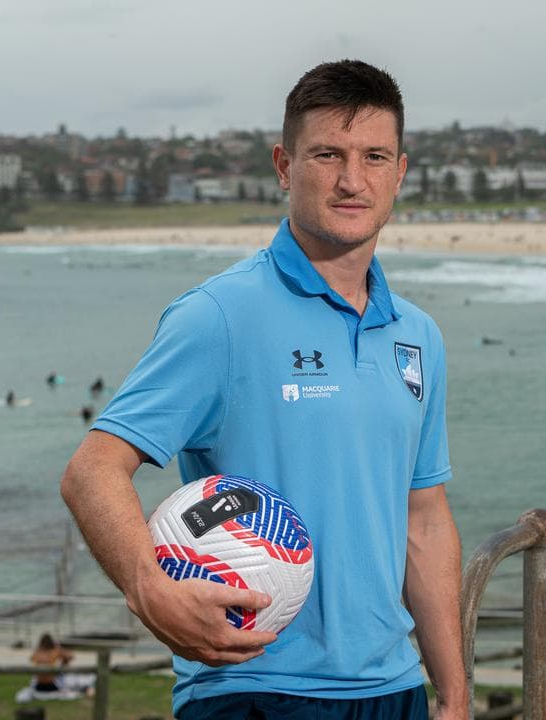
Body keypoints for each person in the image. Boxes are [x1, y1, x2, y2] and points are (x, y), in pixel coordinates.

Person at [61, 60, 464, 720]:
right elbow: (92, 470)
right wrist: (148, 588)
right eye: (327, 155)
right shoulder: (219, 316)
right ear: (284, 165)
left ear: (400, 172)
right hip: (251, 688)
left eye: (373, 157)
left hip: (394, 689)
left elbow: (424, 520)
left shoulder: (417, 335)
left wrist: (453, 691)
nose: (352, 180)